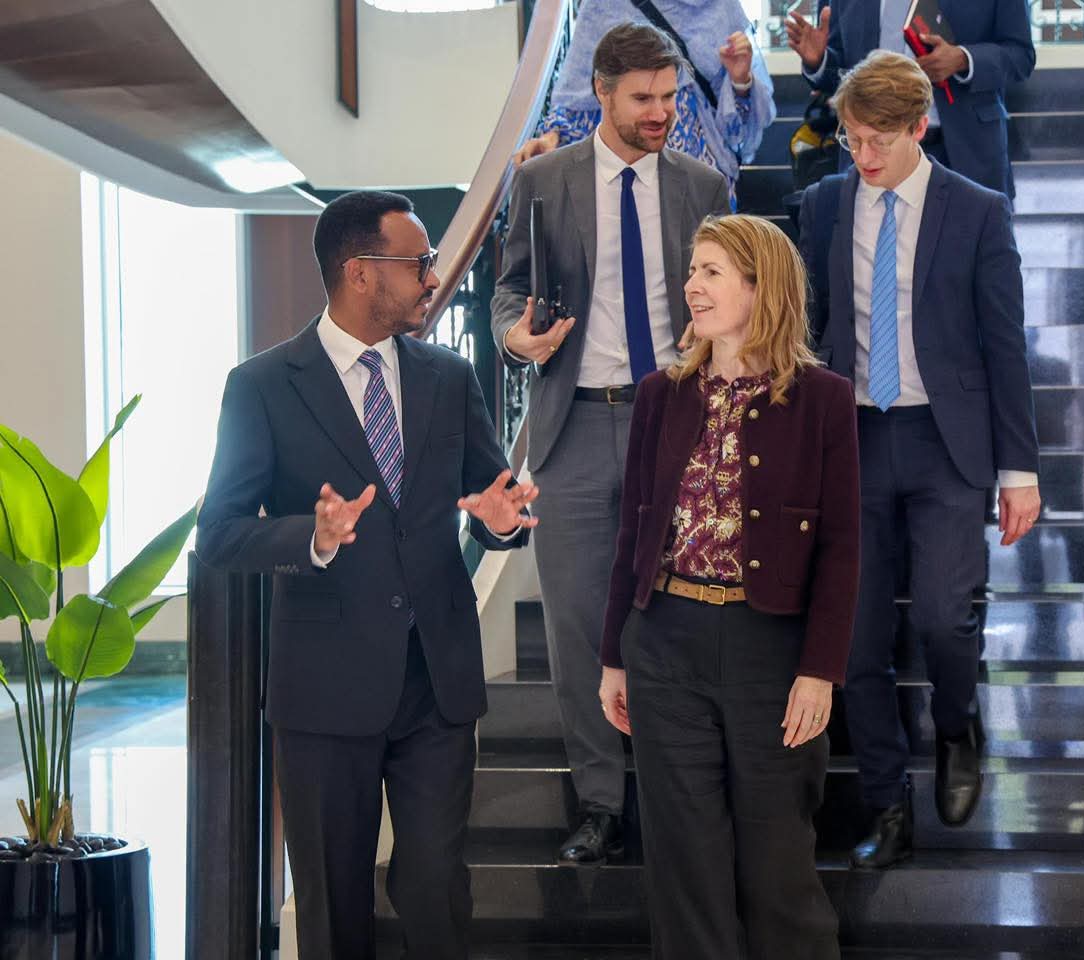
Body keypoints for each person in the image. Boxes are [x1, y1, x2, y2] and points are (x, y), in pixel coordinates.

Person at [197, 190, 536, 959]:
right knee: (333, 906)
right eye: (417, 263)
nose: (432, 278)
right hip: (324, 690)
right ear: (358, 272)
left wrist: (499, 520)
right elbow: (218, 533)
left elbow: (490, 498)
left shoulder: (449, 376)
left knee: (437, 893)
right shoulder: (262, 385)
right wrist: (311, 538)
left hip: (436, 682)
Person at [491, 21, 731, 865]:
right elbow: (508, 289)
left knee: (678, 617)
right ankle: (600, 802)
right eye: (643, 99)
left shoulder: (703, 187)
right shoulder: (543, 180)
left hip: (678, 426)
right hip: (575, 425)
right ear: (601, 92)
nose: (661, 112)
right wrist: (516, 338)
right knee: (576, 623)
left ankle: (676, 794)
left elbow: (733, 296)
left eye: (669, 97)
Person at [798, 51, 1041, 870]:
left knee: (941, 614)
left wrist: (1020, 471)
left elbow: (1005, 345)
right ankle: (885, 803)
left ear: (919, 126)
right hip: (853, 439)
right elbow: (809, 328)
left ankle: (957, 723)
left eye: (879, 140)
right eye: (852, 138)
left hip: (946, 440)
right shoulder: (824, 206)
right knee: (856, 637)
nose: (863, 156)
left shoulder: (977, 211)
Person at [598, 213, 859, 959]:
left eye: (711, 272)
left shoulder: (823, 398)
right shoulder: (660, 393)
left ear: (759, 286)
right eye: (693, 271)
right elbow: (633, 534)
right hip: (664, 644)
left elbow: (842, 548)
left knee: (778, 867)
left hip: (769, 652)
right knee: (685, 870)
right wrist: (614, 656)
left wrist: (820, 670)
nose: (692, 286)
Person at [514, 0, 775, 202]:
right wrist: (552, 137)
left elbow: (739, 131)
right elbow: (582, 95)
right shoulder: (603, 6)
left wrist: (740, 80)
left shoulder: (719, 6)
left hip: (702, 182)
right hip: (624, 176)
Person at [786, 0, 1035, 196]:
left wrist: (962, 59)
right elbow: (842, 73)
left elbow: (1020, 54)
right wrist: (819, 61)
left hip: (962, 152)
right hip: (869, 154)